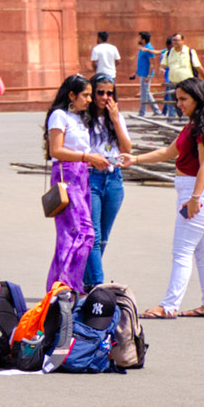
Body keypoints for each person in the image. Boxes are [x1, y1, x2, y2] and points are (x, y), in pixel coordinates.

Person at [157, 78, 204, 318]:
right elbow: (168, 152)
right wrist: (134, 159)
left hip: (197, 192)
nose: (179, 103)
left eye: (183, 99)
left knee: (182, 251)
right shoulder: (193, 126)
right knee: (202, 252)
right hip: (193, 191)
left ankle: (169, 305)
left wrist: (195, 198)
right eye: (177, 98)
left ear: (197, 99)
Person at [44, 75, 111, 293]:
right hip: (67, 176)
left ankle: (65, 283)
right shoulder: (59, 116)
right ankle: (66, 283)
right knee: (81, 231)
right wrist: (87, 157)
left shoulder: (79, 118)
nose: (90, 99)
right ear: (71, 95)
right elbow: (55, 150)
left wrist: (93, 160)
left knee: (75, 232)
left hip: (82, 175)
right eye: (86, 95)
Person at [82, 75, 131, 287]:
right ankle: (97, 284)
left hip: (113, 179)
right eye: (100, 92)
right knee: (93, 234)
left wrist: (115, 119)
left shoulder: (116, 118)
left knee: (103, 238)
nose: (105, 97)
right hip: (90, 178)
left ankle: (84, 280)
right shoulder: (83, 119)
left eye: (109, 93)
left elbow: (127, 150)